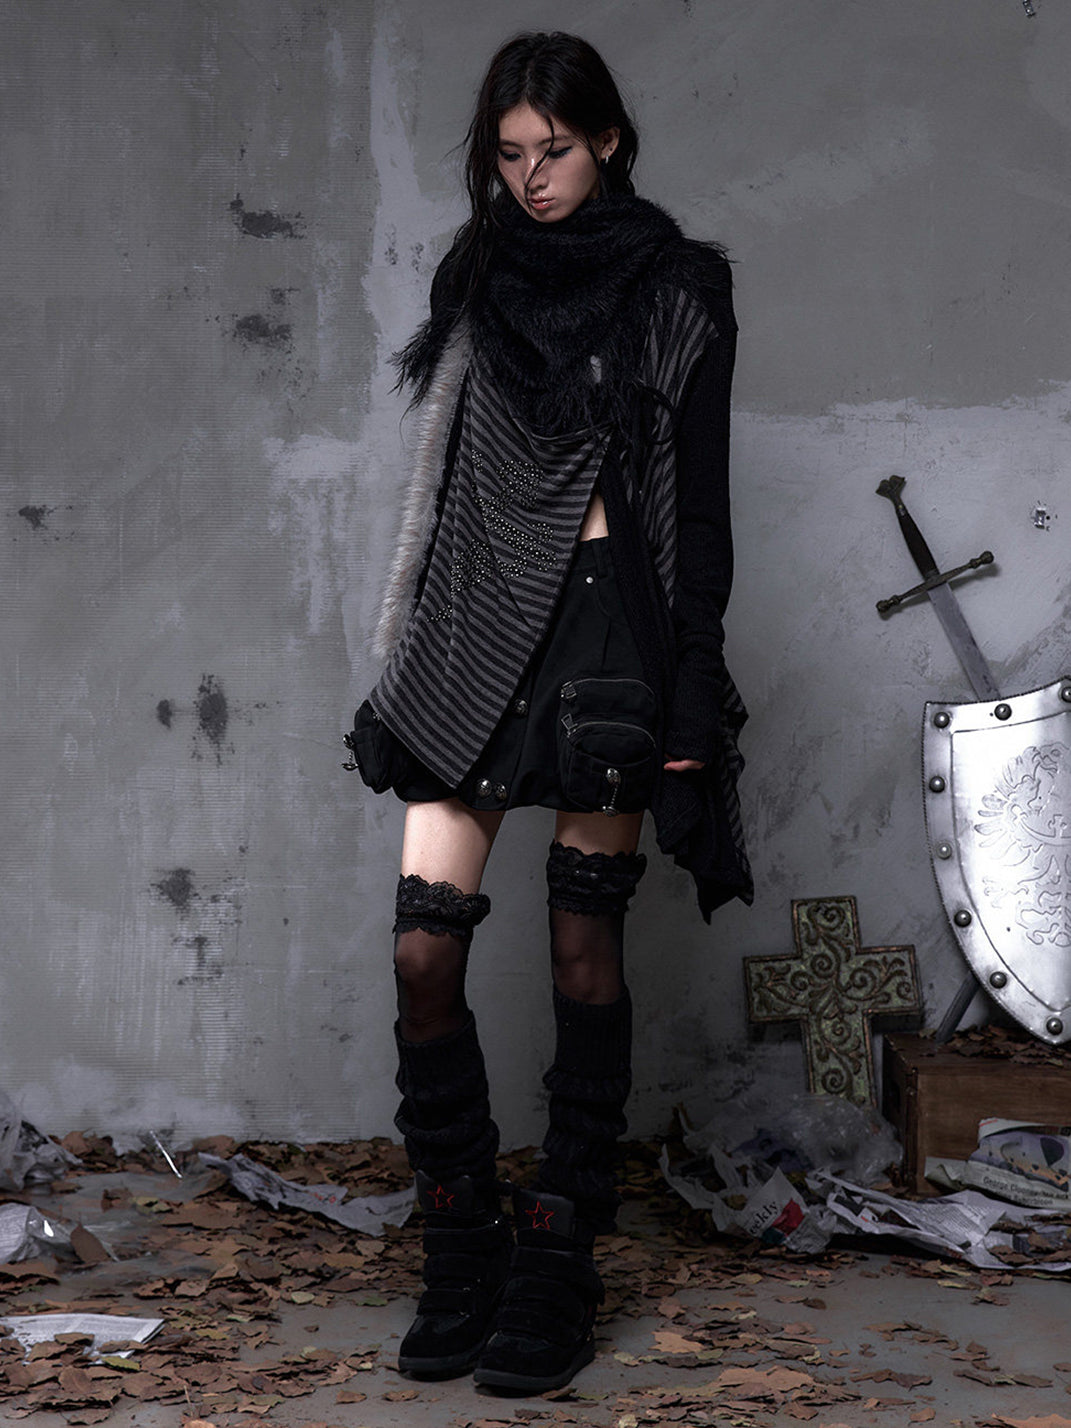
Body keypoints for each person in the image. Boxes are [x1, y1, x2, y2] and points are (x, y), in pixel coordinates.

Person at [344, 30, 752, 1394]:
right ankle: (459, 1241)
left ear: (609, 140)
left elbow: (701, 512)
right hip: (477, 628)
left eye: (556, 150)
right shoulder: (479, 276)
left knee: (584, 954)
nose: (533, 177)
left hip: (609, 640)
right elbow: (450, 484)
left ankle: (560, 1247)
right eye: (510, 154)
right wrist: (407, 646)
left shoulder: (677, 289)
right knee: (423, 956)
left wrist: (690, 690)